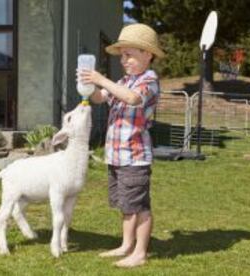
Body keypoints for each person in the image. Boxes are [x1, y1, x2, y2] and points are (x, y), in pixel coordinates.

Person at [78, 23, 164, 268]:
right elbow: (98, 98)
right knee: (126, 206)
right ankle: (126, 245)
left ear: (147, 54)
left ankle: (140, 253)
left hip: (135, 156)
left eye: (129, 55)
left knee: (140, 206)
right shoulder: (123, 80)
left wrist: (102, 79)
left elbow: (133, 98)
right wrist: (88, 83)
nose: (124, 60)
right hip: (116, 156)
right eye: (122, 55)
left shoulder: (149, 80)